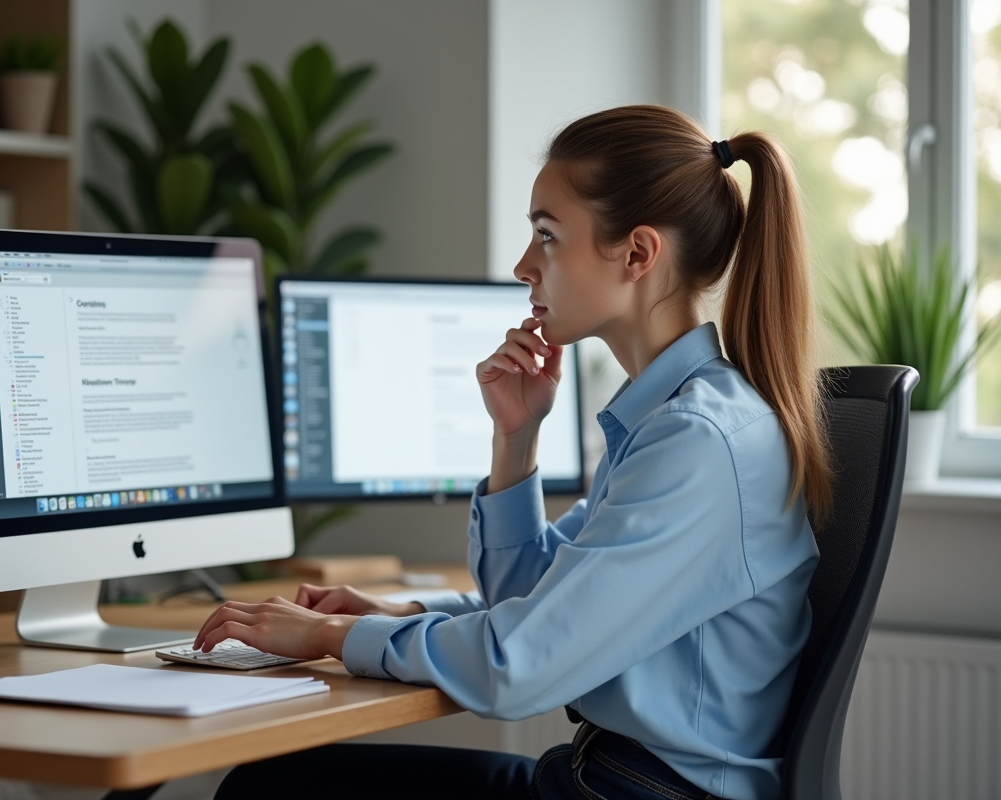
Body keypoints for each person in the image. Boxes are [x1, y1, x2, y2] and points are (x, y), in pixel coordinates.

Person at [200, 105, 831, 800]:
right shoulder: (669, 420)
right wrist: (516, 438)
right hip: (611, 780)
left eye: (547, 236)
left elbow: (517, 665)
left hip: (635, 792)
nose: (523, 265)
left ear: (638, 254)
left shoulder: (697, 441)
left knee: (271, 791)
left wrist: (333, 636)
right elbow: (536, 599)